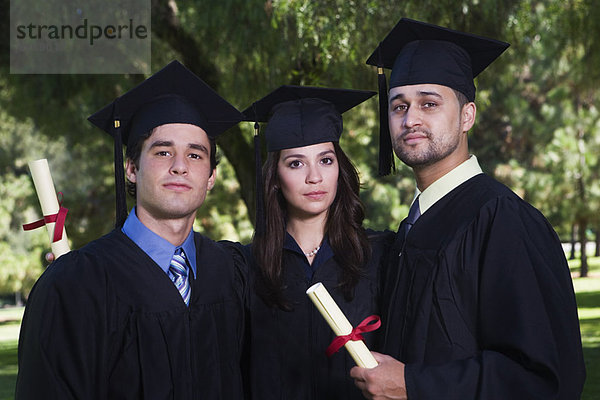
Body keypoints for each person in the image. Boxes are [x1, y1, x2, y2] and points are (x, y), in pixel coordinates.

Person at [350, 18, 586, 399]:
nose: (410, 119)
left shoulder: (504, 221)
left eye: (429, 103)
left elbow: (543, 378)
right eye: (398, 106)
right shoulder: (411, 229)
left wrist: (415, 385)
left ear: (467, 116)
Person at [16, 61, 247, 399]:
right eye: (163, 151)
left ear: (210, 178)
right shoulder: (74, 285)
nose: (180, 166)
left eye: (196, 155)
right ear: (131, 169)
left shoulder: (232, 273)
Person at [226, 85, 394, 399]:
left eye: (326, 160)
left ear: (339, 169)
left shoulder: (380, 255)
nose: (314, 177)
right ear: (274, 177)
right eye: (296, 163)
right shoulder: (246, 268)